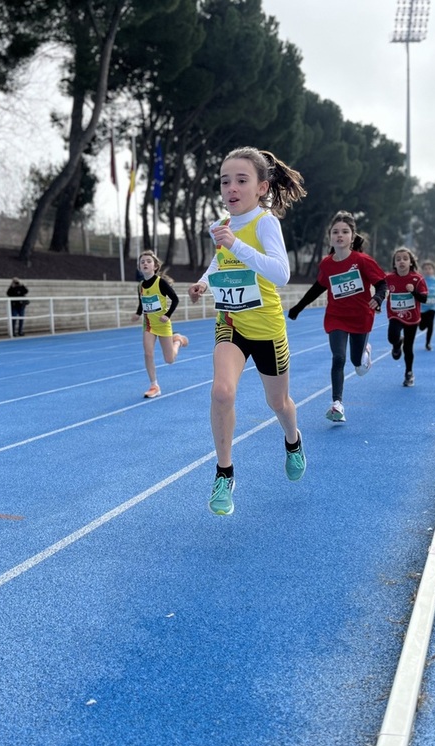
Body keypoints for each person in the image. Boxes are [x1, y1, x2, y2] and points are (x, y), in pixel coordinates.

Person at [187, 146, 308, 516]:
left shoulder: (265, 222)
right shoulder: (222, 226)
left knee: (279, 404)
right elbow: (218, 263)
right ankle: (224, 472)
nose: (231, 188)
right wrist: (204, 283)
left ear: (261, 187)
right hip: (231, 322)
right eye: (226, 181)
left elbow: (281, 274)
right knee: (221, 392)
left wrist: (235, 244)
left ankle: (293, 440)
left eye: (241, 180)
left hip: (267, 328)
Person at [287, 210, 387, 423]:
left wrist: (378, 298)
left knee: (357, 366)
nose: (339, 235)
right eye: (335, 232)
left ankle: (364, 355)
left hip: (361, 316)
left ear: (352, 236)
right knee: (338, 357)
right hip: (336, 317)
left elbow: (382, 283)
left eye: (344, 232)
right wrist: (299, 307)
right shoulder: (327, 264)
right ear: (329, 237)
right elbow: (318, 288)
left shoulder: (362, 261)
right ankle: (337, 404)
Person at [131, 250, 189, 399]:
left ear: (155, 266)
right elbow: (142, 302)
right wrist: (138, 314)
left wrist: (167, 315)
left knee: (169, 360)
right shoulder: (140, 286)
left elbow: (175, 299)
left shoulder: (160, 283)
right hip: (149, 325)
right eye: (142, 261)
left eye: (148, 261)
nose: (145, 263)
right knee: (148, 353)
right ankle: (154, 385)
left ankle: (178, 340)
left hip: (163, 324)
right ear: (139, 266)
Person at [384, 247, 429, 388]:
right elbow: (379, 288)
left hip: (412, 317)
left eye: (405, 258)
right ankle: (397, 344)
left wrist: (414, 292)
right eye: (398, 259)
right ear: (394, 264)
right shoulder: (389, 278)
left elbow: (424, 298)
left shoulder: (417, 278)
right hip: (395, 314)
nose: (401, 261)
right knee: (392, 336)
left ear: (410, 262)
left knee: (409, 347)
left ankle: (409, 372)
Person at [418, 259, 435, 351]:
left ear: (433, 270)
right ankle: (419, 325)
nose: (428, 270)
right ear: (423, 270)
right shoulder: (421, 280)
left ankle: (428, 343)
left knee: (430, 324)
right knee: (422, 327)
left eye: (430, 268)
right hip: (422, 307)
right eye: (425, 269)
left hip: (432, 307)